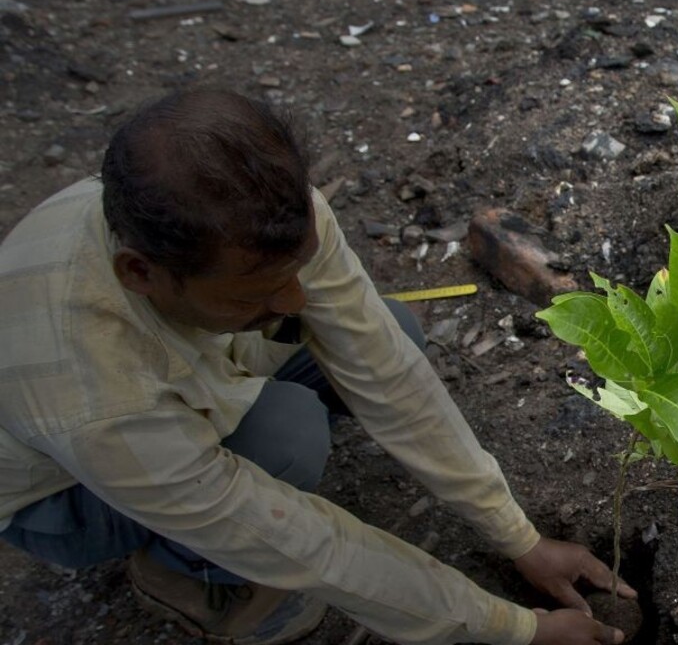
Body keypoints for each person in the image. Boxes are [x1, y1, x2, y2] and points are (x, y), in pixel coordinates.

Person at [0, 90, 635, 645]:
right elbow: (312, 548)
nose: (295, 303)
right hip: (60, 496)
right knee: (286, 435)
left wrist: (517, 537)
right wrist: (514, 629)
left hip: (191, 364)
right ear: (140, 273)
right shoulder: (100, 396)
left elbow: (385, 370)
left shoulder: (253, 212)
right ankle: (180, 570)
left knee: (395, 328)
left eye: (296, 274)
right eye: (257, 293)